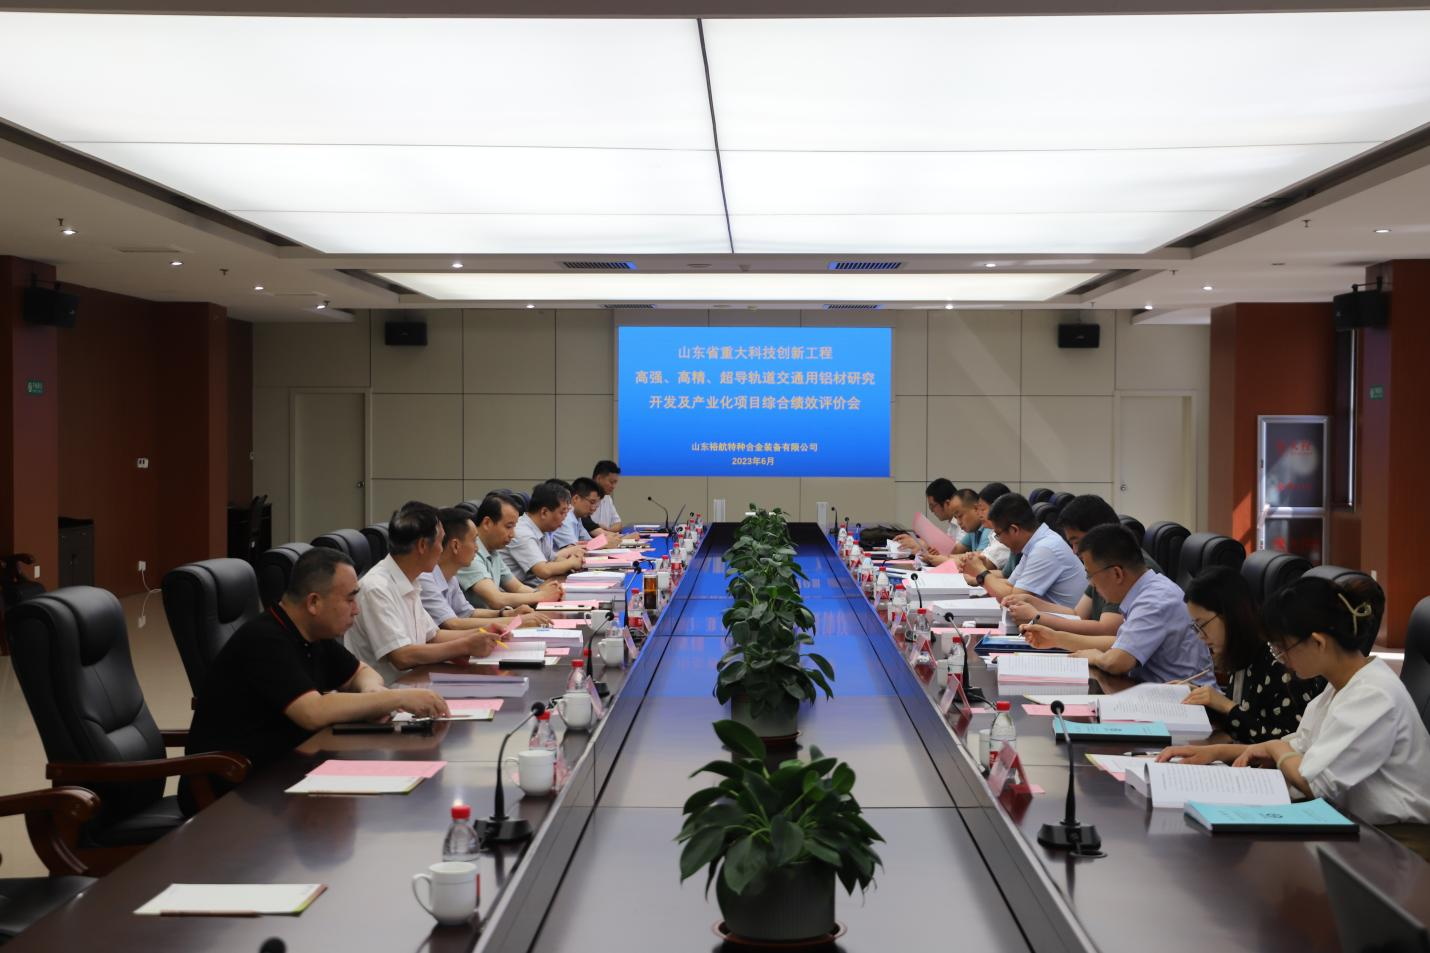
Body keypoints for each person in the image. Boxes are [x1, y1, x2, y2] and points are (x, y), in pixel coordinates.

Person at [1160, 576, 1430, 843]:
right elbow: (1300, 748)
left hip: (1397, 840)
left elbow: (1315, 783)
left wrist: (1275, 748)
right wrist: (1215, 753)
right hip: (1352, 821)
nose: (1281, 659)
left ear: (1318, 642)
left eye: (1282, 648)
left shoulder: (1373, 694)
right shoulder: (1341, 686)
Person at [181, 548, 449, 814]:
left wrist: (372, 693)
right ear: (314, 603)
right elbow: (312, 712)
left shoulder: (312, 634)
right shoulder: (265, 640)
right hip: (235, 789)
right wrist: (394, 698)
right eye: (350, 599)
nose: (356, 610)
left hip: (287, 772)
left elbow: (362, 672)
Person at [344, 501, 499, 684]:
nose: (442, 550)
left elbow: (434, 637)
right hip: (389, 692)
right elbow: (402, 656)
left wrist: (485, 632)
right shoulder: (376, 588)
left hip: (416, 682)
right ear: (423, 546)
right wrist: (465, 645)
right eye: (441, 542)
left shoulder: (410, 579)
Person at [1178, 567, 1321, 742]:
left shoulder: (1279, 659)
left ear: (1229, 615)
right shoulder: (1238, 651)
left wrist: (1226, 706)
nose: (1200, 635)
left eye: (1202, 624)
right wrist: (1203, 698)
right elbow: (1243, 719)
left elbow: (1287, 740)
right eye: (1195, 627)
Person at [1067, 524, 1214, 684]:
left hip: (1189, 697)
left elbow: (1116, 662)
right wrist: (1058, 638)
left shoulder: (1154, 599)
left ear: (1117, 573)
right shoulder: (1147, 589)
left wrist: (1096, 657)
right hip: (1164, 692)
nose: (1091, 584)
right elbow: (1121, 644)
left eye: (1091, 575)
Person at [1011, 495, 1159, 647]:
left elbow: (1108, 630)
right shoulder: (1101, 562)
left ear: (1099, 533)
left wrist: (1038, 618)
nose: (1075, 551)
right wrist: (1033, 603)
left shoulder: (1129, 567)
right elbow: (1078, 614)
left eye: (1077, 542)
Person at [421, 507, 551, 631]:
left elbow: (468, 613)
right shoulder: (425, 578)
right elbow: (452, 624)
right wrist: (517, 620)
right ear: (455, 546)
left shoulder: (451, 576)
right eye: (474, 541)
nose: (477, 548)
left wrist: (506, 613)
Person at [965, 493, 1086, 609]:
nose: (999, 541)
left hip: (1067, 621)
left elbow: (1012, 599)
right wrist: (980, 573)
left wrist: (981, 572)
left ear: (1014, 530)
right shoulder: (1035, 542)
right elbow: (1010, 585)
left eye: (998, 535)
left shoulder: (1045, 549)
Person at [460, 493, 564, 612]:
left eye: (514, 527)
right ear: (487, 523)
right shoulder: (469, 553)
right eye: (508, 527)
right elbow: (496, 599)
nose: (513, 535)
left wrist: (545, 593)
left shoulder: (493, 550)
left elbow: (518, 587)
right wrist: (541, 596)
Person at [501, 482, 585, 586]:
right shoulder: (522, 532)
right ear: (544, 512)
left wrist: (575, 560)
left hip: (532, 587)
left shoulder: (543, 529)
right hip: (518, 592)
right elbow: (543, 570)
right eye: (562, 512)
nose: (565, 518)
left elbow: (553, 559)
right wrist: (571, 563)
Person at [550, 477, 600, 549]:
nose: (593, 508)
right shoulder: (565, 517)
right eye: (592, 502)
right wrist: (604, 542)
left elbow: (587, 541)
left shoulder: (577, 517)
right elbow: (574, 549)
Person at [591, 460, 624, 532]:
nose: (613, 486)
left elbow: (618, 524)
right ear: (599, 478)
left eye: (615, 482)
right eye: (611, 482)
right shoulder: (585, 499)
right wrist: (605, 534)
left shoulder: (607, 498)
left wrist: (607, 532)